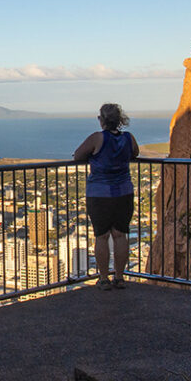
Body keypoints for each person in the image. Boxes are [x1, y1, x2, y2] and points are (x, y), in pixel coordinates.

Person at [73, 103, 139, 290]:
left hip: (100, 194)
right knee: (120, 235)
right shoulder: (128, 138)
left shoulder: (97, 138)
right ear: (120, 120)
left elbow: (78, 155)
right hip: (124, 192)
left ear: (101, 119)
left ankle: (103, 279)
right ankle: (119, 277)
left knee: (101, 236)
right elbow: (135, 153)